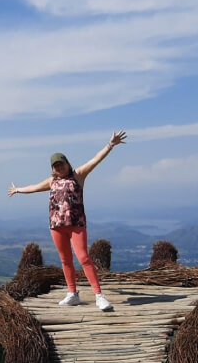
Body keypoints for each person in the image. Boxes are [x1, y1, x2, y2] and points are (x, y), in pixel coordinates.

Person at [9, 131, 127, 309]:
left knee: (84, 258)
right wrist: (18, 190)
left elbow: (96, 160)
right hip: (56, 226)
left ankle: (99, 296)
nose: (59, 168)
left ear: (67, 163)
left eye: (61, 164)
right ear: (52, 168)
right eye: (56, 166)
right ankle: (72, 294)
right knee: (65, 260)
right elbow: (33, 187)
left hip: (76, 225)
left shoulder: (78, 175)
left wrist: (110, 145)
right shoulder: (51, 181)